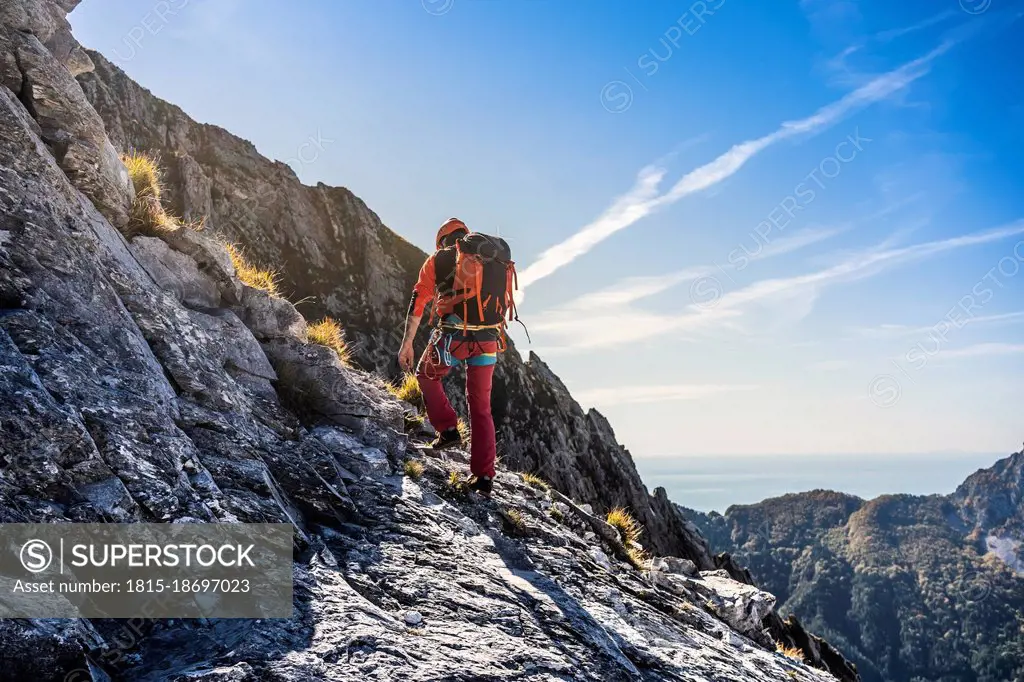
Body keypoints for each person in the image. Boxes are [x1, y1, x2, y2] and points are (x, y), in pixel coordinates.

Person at [399, 217, 516, 498]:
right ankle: (484, 476)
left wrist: (407, 344)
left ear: (442, 241)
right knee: (481, 406)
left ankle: (448, 429)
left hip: (453, 335)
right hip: (488, 338)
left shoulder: (438, 259)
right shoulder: (491, 258)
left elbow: (419, 302)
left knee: (427, 375)